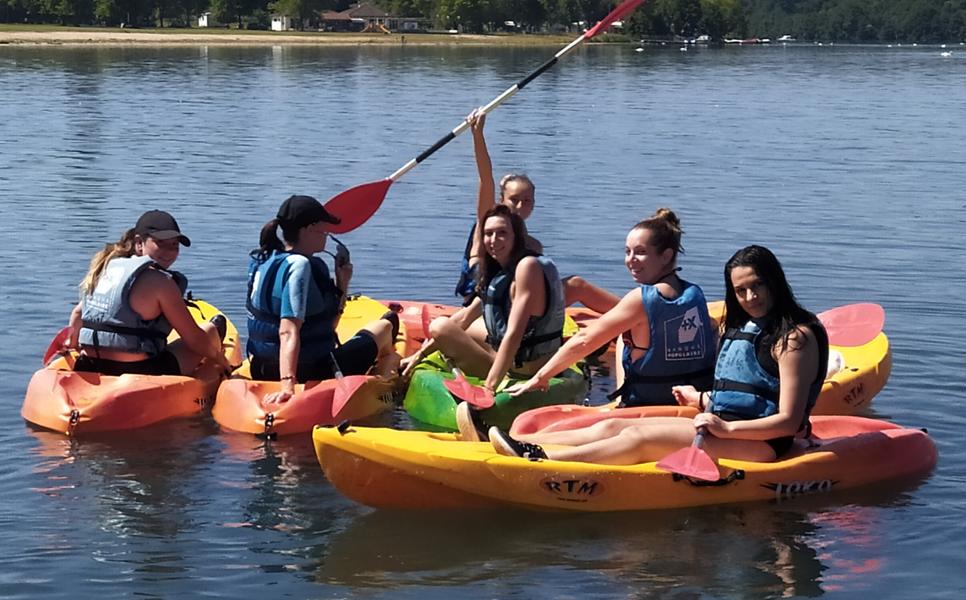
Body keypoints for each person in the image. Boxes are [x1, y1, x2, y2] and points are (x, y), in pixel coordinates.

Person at [484, 245, 830, 465]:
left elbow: (787, 420)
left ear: (775, 281)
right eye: (741, 290)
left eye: (758, 285)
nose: (751, 296)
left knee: (639, 437)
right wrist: (703, 399)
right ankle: (516, 441)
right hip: (724, 427)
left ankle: (542, 460)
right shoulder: (746, 327)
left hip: (765, 444)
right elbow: (745, 389)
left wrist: (726, 427)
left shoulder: (794, 339)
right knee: (612, 424)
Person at [454, 109, 619, 313]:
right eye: (514, 200)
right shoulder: (488, 224)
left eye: (527, 201)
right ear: (501, 200)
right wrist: (478, 135)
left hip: (518, 302)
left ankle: (638, 316)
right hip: (484, 307)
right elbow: (486, 178)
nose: (521, 206)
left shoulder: (530, 243)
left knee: (577, 285)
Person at [246, 195, 400, 404]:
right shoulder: (300, 266)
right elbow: (287, 330)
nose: (327, 235)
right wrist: (288, 386)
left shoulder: (265, 260)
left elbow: (326, 326)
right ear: (308, 229)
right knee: (386, 325)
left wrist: (342, 284)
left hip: (261, 368)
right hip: (311, 371)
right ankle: (389, 374)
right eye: (324, 229)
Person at [402, 204, 565, 394]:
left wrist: (490, 387)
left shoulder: (527, 268)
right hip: (522, 356)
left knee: (440, 327)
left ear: (517, 237)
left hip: (526, 369)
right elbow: (463, 319)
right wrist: (419, 356)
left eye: (502, 233)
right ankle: (480, 362)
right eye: (488, 234)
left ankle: (500, 377)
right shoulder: (502, 273)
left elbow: (514, 335)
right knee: (457, 324)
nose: (494, 240)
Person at [68, 210, 228, 376]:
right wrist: (219, 358)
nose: (169, 251)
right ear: (139, 243)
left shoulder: (106, 269)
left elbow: (78, 313)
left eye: (174, 245)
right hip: (140, 371)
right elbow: (195, 340)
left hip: (89, 365)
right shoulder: (162, 283)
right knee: (208, 331)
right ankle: (217, 331)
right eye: (161, 243)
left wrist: (72, 344)